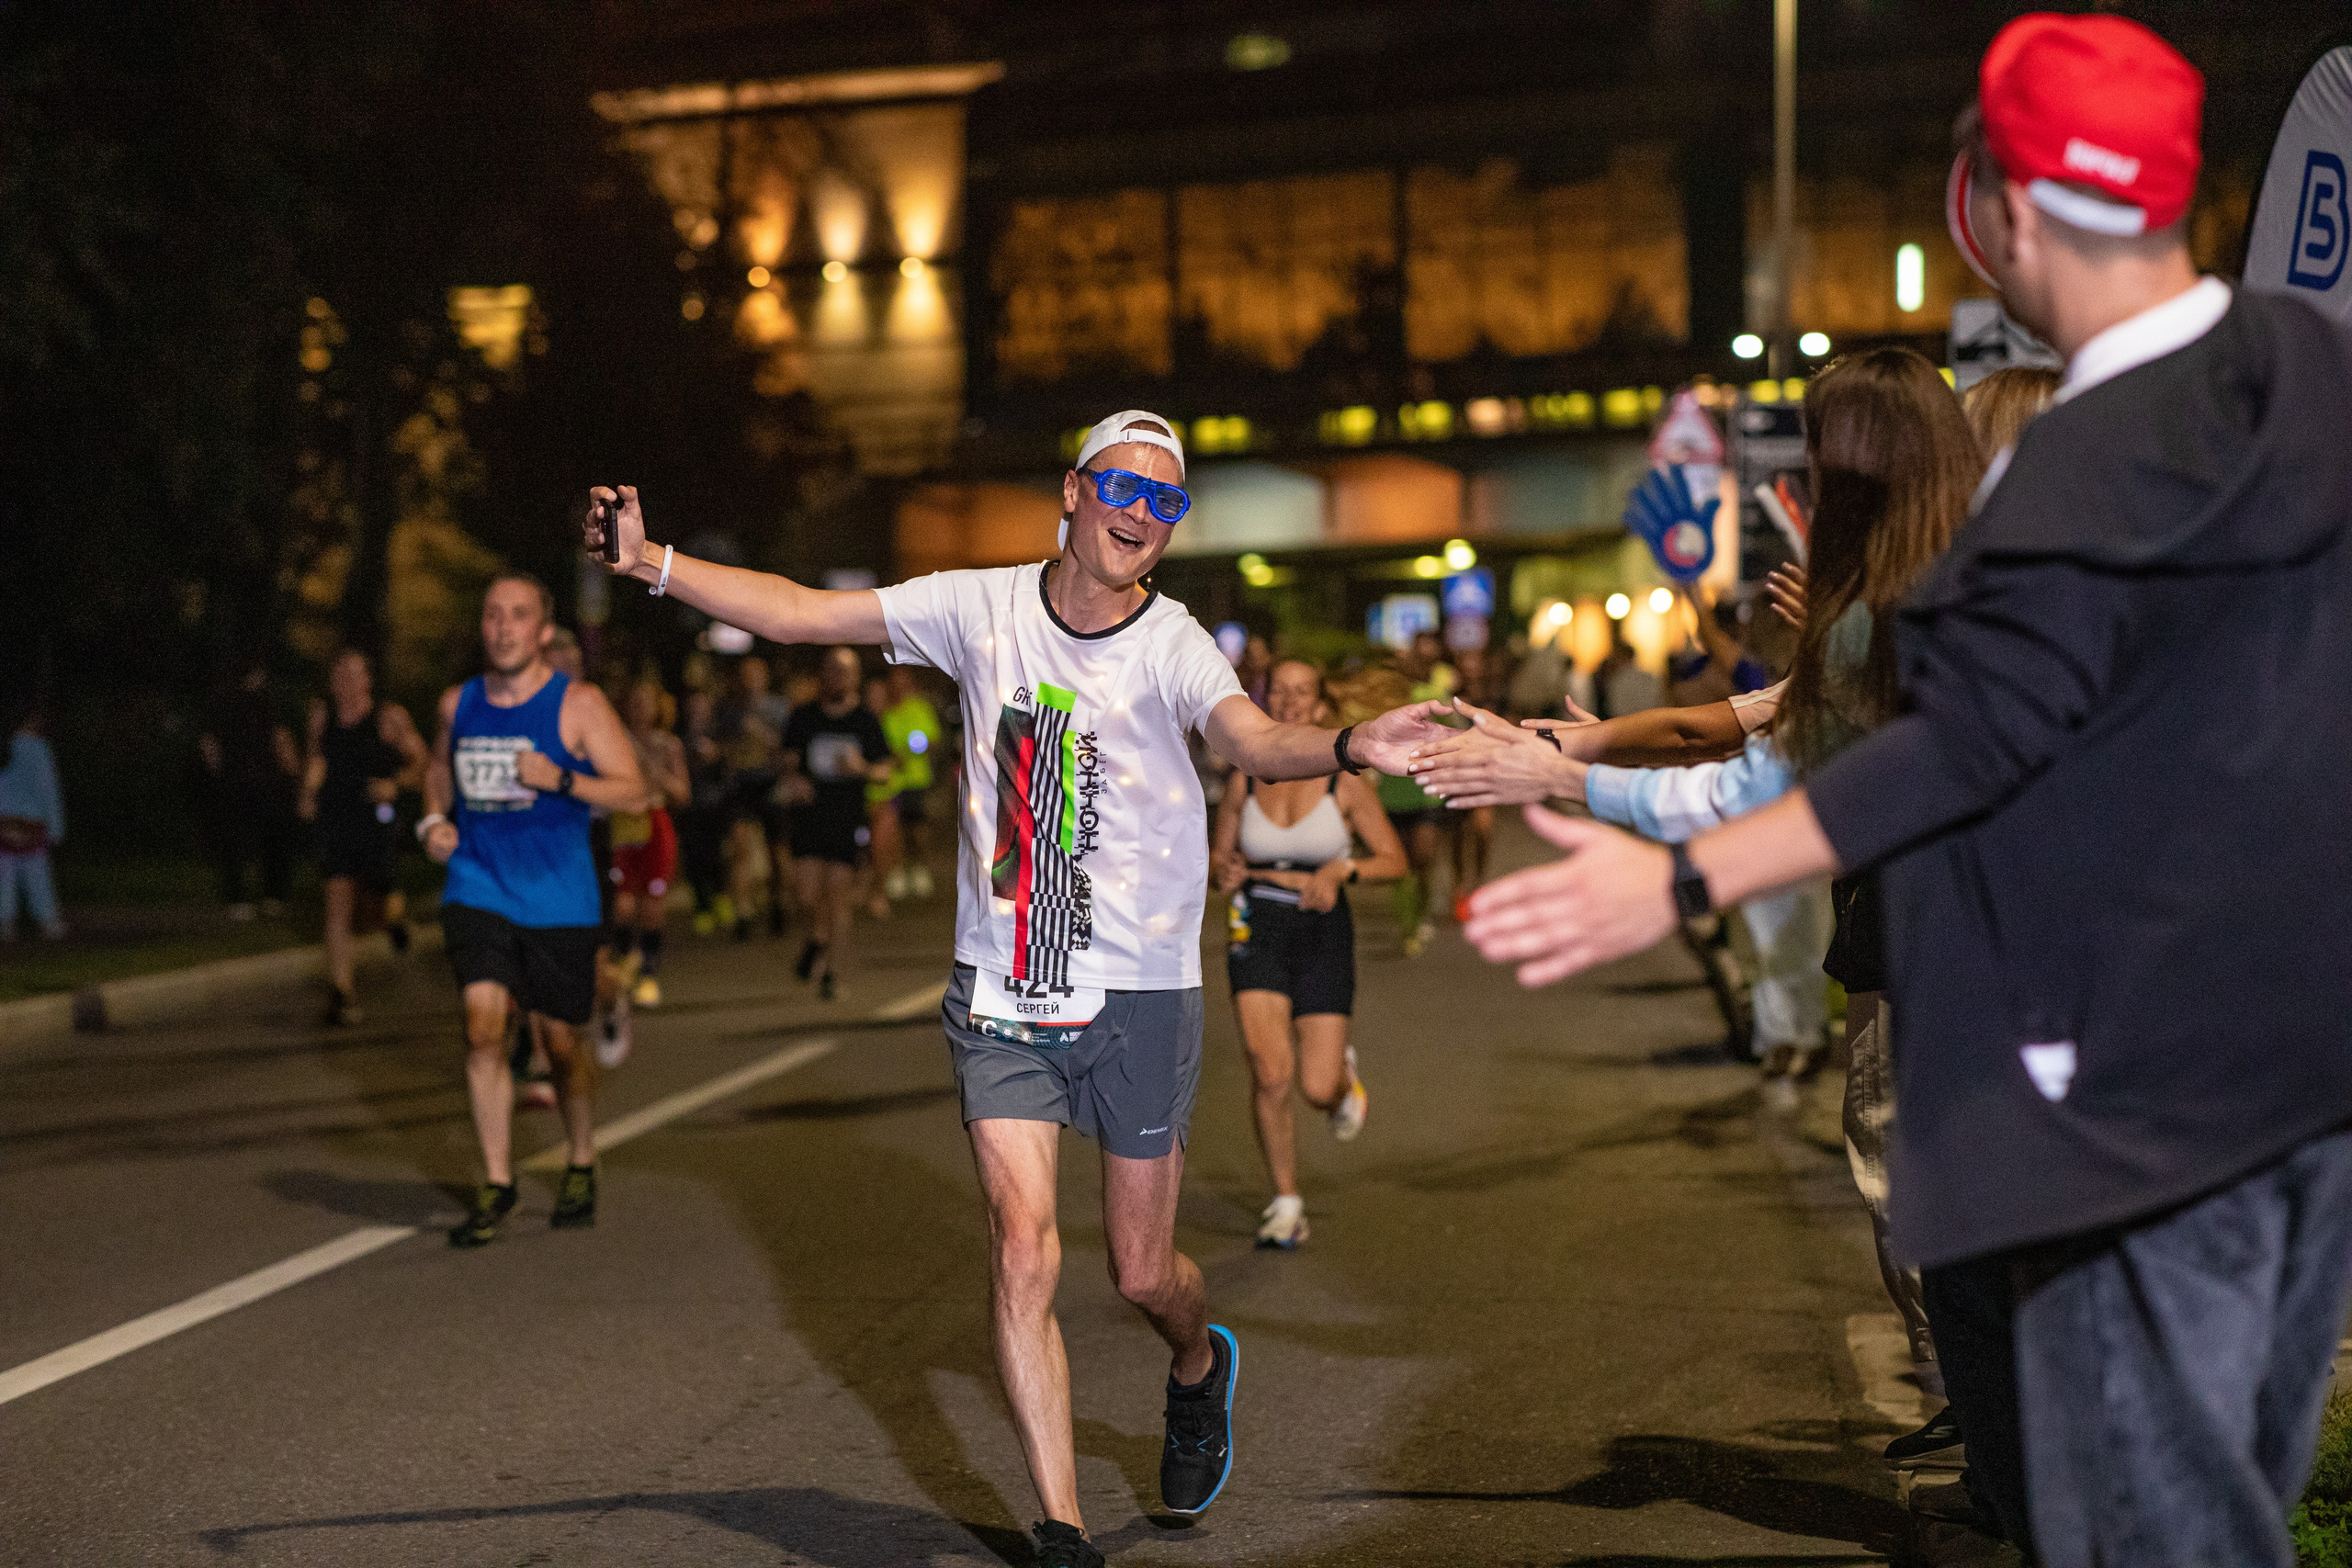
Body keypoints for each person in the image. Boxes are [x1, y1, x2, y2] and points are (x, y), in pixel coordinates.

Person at [1459, 17, 2352, 1563]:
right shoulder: (2309, 374)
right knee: (2225, 1515)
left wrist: (1673, 879)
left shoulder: (2078, 473)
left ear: (2000, 213)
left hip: (2136, 1109)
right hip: (2303, 1088)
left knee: (2153, 1530)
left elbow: (1958, 744)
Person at [584, 407, 1449, 1568]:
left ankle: (1198, 1363)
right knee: (1024, 1247)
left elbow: (1249, 740)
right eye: (1121, 489)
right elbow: (798, 612)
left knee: (1141, 1272)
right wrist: (653, 566)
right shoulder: (978, 607)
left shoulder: (1174, 641)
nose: (1140, 514)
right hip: (1005, 983)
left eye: (1164, 501)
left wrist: (1347, 745)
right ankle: (1060, 1528)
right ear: (1072, 493)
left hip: (1138, 987)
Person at [421, 574, 646, 1249]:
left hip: (558, 897)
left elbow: (636, 792)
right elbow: (436, 768)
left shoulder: (577, 705)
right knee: (483, 1027)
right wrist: (432, 819)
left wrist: (560, 778)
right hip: (478, 884)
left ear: (543, 631)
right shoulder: (456, 702)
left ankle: (581, 1153)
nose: (503, 626)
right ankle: (497, 1180)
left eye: (518, 614)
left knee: (559, 1043)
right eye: (492, 614)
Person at [1210, 659, 1408, 1249]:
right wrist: (1225, 868)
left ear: (1321, 707)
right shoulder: (1244, 777)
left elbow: (1394, 862)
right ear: (1267, 700)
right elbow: (1220, 861)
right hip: (1256, 924)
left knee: (1315, 1089)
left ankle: (1344, 1083)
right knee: (1269, 1070)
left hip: (1322, 927)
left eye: (1304, 692)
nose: (1292, 701)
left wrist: (1342, 868)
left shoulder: (1345, 782)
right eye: (1282, 691)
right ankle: (1287, 1200)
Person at [299, 649, 427, 1025]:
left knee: (374, 905)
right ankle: (342, 992)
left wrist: (396, 784)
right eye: (339, 675)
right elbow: (316, 760)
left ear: (367, 680)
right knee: (337, 901)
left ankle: (393, 920)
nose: (345, 683)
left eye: (353, 675)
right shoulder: (323, 718)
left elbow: (420, 764)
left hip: (375, 819)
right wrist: (307, 794)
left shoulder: (389, 719)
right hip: (337, 818)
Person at [780, 648, 890, 1000]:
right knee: (807, 893)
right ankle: (817, 936)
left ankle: (831, 972)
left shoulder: (865, 721)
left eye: (845, 672)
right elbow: (787, 759)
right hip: (809, 816)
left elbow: (885, 771)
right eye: (831, 671)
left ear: (855, 678)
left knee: (839, 896)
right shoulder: (803, 716)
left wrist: (863, 768)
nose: (837, 678)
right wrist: (793, 777)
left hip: (847, 817)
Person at [605, 677, 691, 1017]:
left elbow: (683, 793)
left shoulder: (667, 745)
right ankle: (625, 958)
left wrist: (659, 776)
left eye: (647, 701)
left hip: (655, 823)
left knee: (653, 906)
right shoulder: (613, 740)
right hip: (624, 823)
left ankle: (648, 973)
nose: (641, 708)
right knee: (623, 905)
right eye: (635, 701)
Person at [198, 660, 301, 921]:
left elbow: (210, 745)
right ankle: (259, 896)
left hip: (253, 779)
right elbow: (211, 744)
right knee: (254, 839)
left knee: (259, 839)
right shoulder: (239, 698)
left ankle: (254, 897)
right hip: (251, 779)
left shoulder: (234, 697)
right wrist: (291, 772)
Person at [0, 702, 67, 942]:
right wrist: (56, 828)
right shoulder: (38, 749)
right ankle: (48, 921)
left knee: (4, 877)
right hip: (31, 824)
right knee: (37, 875)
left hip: (4, 823)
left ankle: (5, 924)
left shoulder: (6, 746)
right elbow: (48, 790)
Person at [878, 666, 944, 901]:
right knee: (893, 830)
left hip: (916, 778)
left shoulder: (920, 708)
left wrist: (918, 746)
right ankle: (896, 872)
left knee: (917, 829)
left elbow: (934, 739)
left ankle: (919, 869)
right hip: (888, 782)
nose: (898, 687)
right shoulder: (883, 709)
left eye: (903, 682)